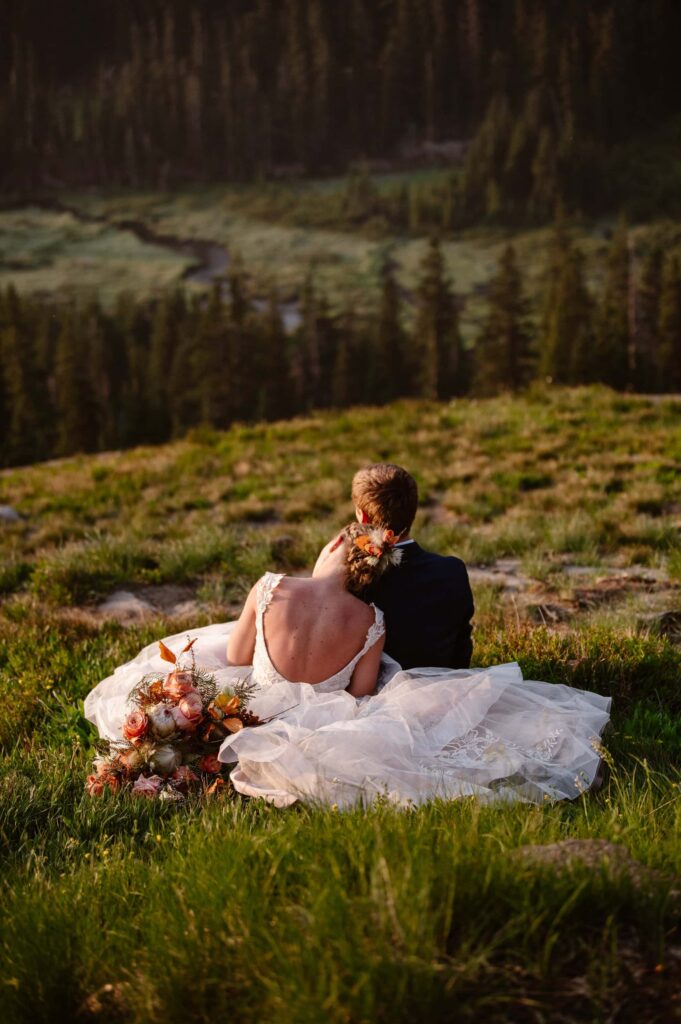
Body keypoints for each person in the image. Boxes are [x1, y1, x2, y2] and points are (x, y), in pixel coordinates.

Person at [85, 522, 611, 809]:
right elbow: (361, 696)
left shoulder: (270, 587)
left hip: (253, 699)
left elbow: (241, 657)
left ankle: (169, 764)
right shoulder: (371, 619)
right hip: (317, 717)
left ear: (332, 547)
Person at [352, 463, 474, 669]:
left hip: (377, 694)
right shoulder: (452, 571)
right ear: (413, 510)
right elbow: (462, 646)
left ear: (362, 516)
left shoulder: (357, 579)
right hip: (446, 688)